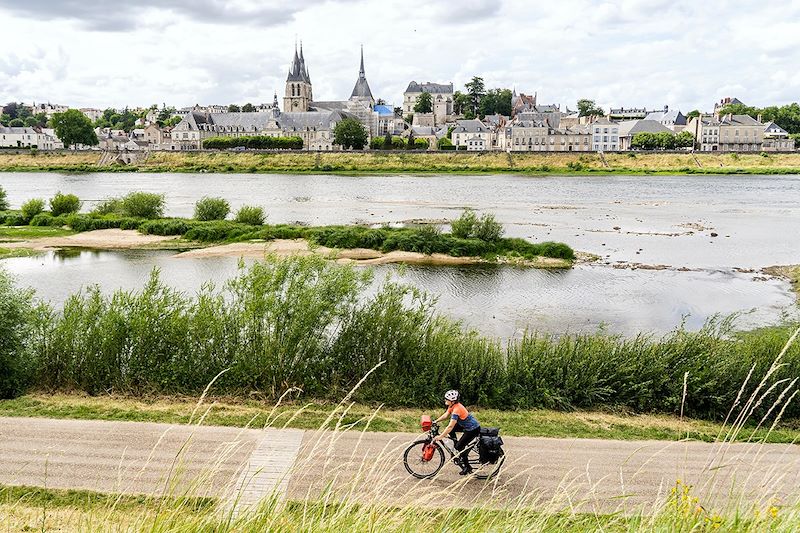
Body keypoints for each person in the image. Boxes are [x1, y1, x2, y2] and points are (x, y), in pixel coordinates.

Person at [432, 389, 480, 475]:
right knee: (453, 431)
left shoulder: (457, 409)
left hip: (472, 429)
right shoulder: (452, 406)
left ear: (452, 401)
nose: (445, 400)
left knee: (459, 447)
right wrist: (436, 421)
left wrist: (441, 436)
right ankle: (456, 446)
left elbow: (450, 426)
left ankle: (467, 466)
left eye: (447, 399)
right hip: (465, 425)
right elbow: (446, 415)